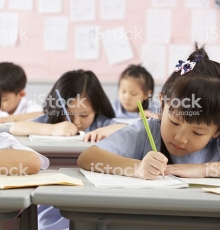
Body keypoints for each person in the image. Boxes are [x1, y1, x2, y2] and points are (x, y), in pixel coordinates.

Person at [78, 43, 220, 179]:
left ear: (216, 131)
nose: (180, 138)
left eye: (197, 132)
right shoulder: (145, 132)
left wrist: (204, 169)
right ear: (163, 104)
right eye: (174, 122)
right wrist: (137, 168)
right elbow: (87, 157)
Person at [10, 69, 126, 142]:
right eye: (69, 114)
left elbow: (125, 128)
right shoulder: (52, 120)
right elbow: (15, 128)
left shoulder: (100, 122)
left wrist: (102, 132)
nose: (76, 122)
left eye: (84, 115)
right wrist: (52, 129)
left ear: (96, 108)